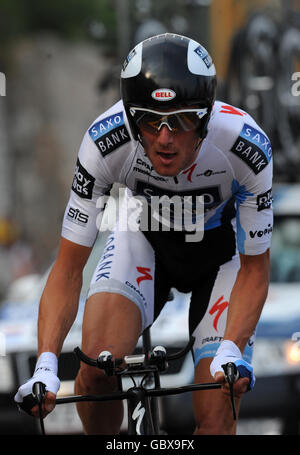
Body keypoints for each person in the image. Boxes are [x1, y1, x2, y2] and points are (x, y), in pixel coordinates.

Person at [14, 33, 273, 435]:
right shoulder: (104, 142)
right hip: (143, 238)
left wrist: (232, 349)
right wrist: (46, 366)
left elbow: (255, 268)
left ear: (205, 116)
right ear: (131, 118)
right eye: (150, 121)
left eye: (183, 120)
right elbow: (67, 269)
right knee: (94, 373)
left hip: (219, 256)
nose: (165, 138)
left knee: (218, 399)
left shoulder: (244, 145)